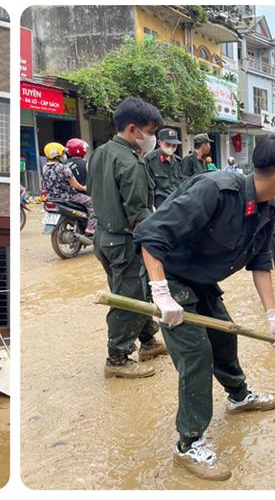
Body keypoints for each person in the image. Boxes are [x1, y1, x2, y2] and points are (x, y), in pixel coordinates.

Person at [133, 133, 275, 481]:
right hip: (170, 274)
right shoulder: (215, 190)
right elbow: (151, 235)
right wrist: (162, 293)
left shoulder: (269, 208)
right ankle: (188, 444)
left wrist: (274, 316)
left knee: (225, 336)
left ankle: (238, 396)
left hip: (202, 279)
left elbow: (260, 262)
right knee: (196, 355)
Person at [86, 97, 168, 378]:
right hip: (123, 241)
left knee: (136, 291)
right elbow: (138, 215)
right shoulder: (131, 163)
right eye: (151, 130)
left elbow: (91, 189)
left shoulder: (100, 153)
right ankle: (117, 358)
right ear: (134, 129)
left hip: (103, 238)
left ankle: (147, 340)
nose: (152, 137)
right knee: (128, 298)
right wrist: (159, 242)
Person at [42, 140, 96, 235]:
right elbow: (76, 186)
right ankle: (91, 227)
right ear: (57, 155)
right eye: (62, 153)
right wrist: (85, 188)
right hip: (68, 196)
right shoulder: (63, 168)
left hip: (52, 197)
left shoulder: (44, 168)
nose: (64, 155)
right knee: (91, 203)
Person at [145, 126, 183, 209]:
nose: (171, 148)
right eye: (168, 144)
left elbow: (181, 183)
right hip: (160, 206)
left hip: (177, 203)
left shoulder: (178, 161)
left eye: (174, 145)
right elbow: (147, 188)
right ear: (159, 142)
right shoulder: (150, 160)